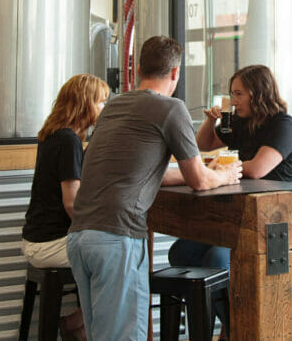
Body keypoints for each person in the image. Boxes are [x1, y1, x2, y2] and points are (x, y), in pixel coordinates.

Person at [66, 36, 242, 340]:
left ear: (137, 69)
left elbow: (140, 171)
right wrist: (225, 175)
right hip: (116, 239)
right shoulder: (171, 109)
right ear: (175, 73)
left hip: (80, 238)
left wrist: (198, 172)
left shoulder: (114, 107)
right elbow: (199, 181)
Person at [168, 64, 292, 269]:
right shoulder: (239, 122)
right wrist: (211, 120)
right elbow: (202, 145)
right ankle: (205, 301)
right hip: (239, 214)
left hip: (279, 219)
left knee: (218, 259)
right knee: (180, 253)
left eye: (239, 94)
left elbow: (257, 169)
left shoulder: (284, 125)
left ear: (259, 94)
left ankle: (230, 301)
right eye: (232, 94)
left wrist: (218, 171)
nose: (233, 101)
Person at [21, 74, 109, 340]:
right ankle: (75, 323)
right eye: (100, 102)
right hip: (50, 243)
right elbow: (72, 204)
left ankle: (81, 326)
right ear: (85, 104)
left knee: (108, 252)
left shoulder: (51, 135)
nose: (103, 109)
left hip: (36, 238)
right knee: (115, 256)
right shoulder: (69, 141)